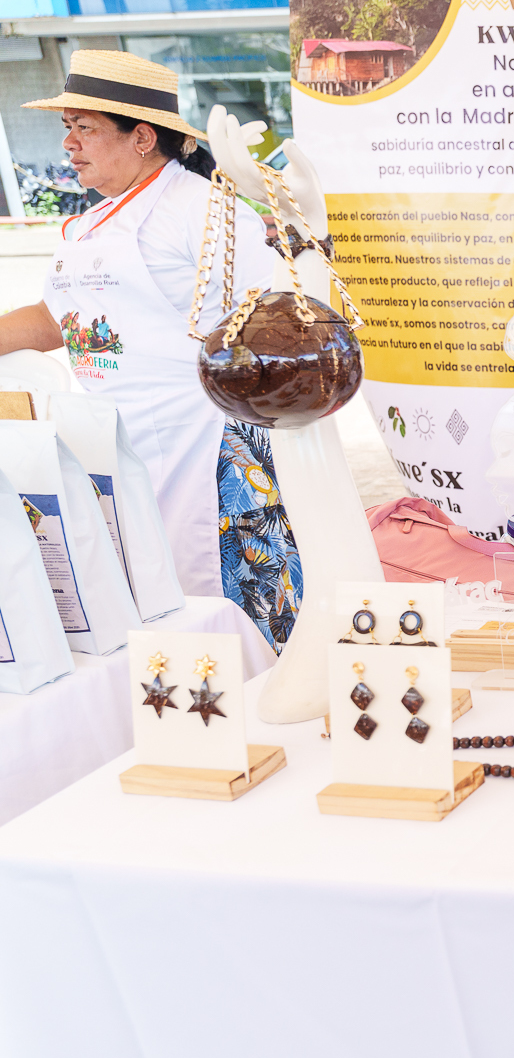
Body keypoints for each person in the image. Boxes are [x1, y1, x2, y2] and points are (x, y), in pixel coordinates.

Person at [0, 50, 299, 645]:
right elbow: (57, 320)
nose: (69, 144)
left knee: (229, 612)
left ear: (141, 137)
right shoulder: (87, 225)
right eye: (68, 128)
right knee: (144, 598)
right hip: (114, 437)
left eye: (85, 128)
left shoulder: (204, 209)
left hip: (208, 442)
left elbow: (276, 317)